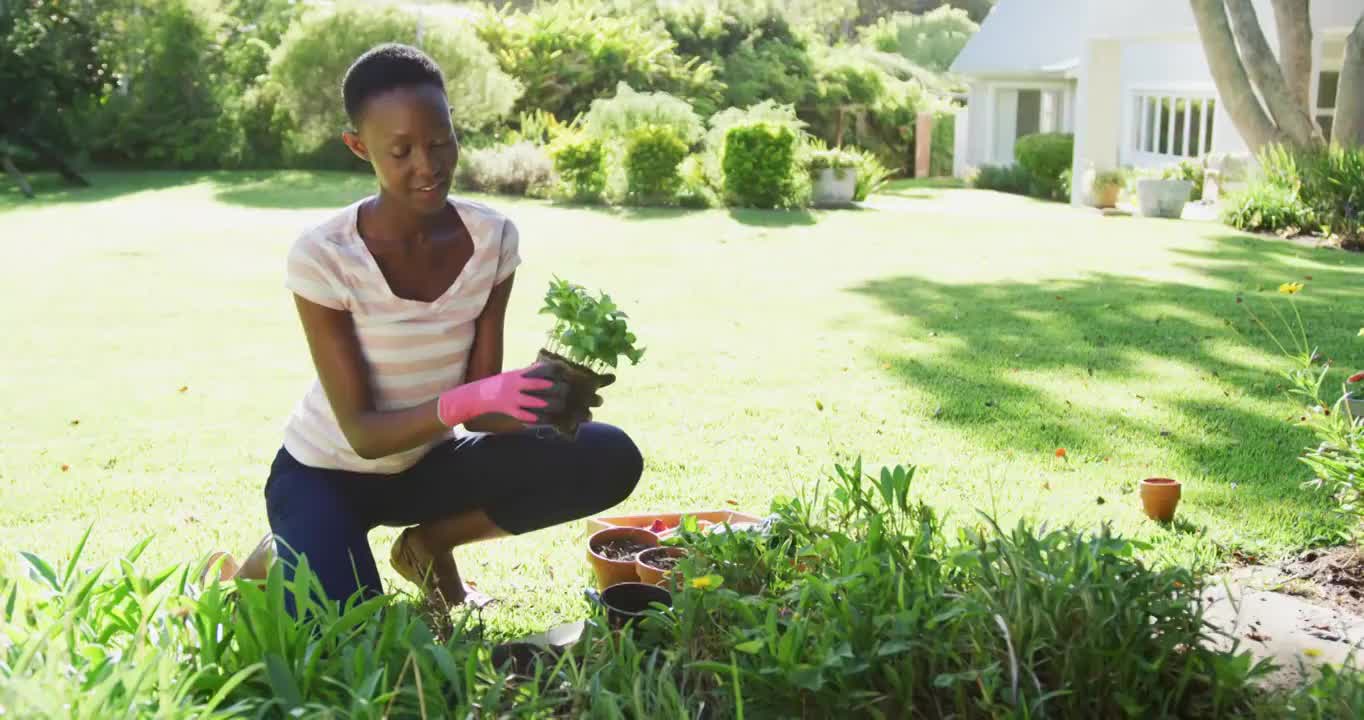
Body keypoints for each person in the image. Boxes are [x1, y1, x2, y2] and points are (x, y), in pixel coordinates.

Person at [236, 43, 643, 610]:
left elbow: (484, 410)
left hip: (428, 467)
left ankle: (428, 545)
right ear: (359, 147)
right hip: (325, 473)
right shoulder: (324, 254)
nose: (426, 166)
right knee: (356, 645)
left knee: (610, 455)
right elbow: (363, 434)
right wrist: (462, 404)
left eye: (439, 142)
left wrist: (538, 398)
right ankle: (279, 550)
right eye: (399, 151)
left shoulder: (492, 240)